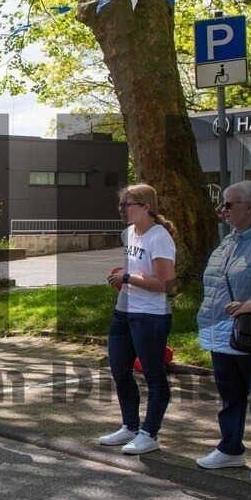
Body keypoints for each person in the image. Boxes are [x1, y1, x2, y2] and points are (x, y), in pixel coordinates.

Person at [194, 180, 251, 484]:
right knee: (230, 396)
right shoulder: (230, 239)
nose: (222, 210)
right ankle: (230, 449)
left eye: (229, 204)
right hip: (222, 334)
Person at [100, 183, 177, 455]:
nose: (121, 209)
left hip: (150, 315)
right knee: (120, 370)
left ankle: (149, 433)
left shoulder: (159, 237)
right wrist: (125, 274)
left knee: (154, 375)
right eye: (119, 204)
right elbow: (139, 270)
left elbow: (165, 283)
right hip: (124, 312)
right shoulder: (129, 233)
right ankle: (130, 426)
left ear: (146, 207)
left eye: (126, 205)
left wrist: (128, 277)